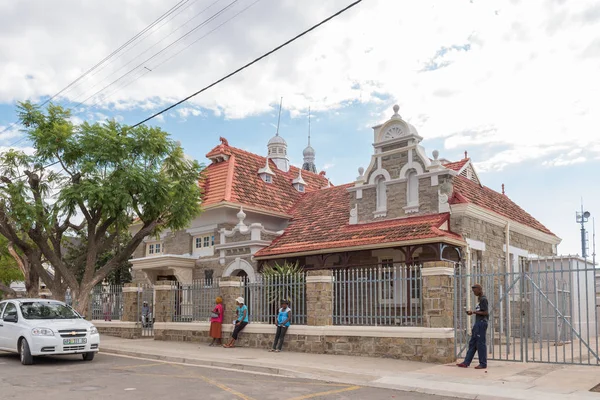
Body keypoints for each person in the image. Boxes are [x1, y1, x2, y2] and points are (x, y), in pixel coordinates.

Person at [457, 284, 488, 369]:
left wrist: (473, 312)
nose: (474, 293)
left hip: (481, 323)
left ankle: (483, 364)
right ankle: (466, 362)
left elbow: (485, 313)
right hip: (477, 323)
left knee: (480, 344)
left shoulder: (483, 299)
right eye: (473, 291)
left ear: (479, 289)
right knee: (472, 343)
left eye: (475, 291)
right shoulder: (480, 299)